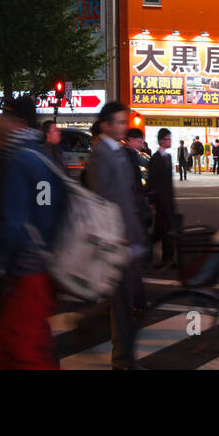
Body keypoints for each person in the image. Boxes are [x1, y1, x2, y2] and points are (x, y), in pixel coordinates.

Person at [0, 97, 69, 369]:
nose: (0, 127)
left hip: (27, 269)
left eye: (4, 121)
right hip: (43, 262)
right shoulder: (42, 156)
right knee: (12, 346)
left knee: (25, 350)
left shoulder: (20, 160)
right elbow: (45, 206)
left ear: (17, 123)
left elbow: (15, 222)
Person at [84, 101, 147, 369]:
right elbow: (103, 199)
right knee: (121, 302)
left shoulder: (118, 152)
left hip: (128, 235)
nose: (124, 127)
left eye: (125, 122)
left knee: (122, 297)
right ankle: (122, 359)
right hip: (116, 239)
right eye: (119, 122)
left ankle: (89, 325)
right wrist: (115, 233)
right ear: (106, 125)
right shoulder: (101, 155)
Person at [146, 127, 178, 269]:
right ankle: (149, 253)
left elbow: (168, 182)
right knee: (163, 231)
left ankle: (167, 258)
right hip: (160, 201)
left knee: (166, 231)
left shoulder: (168, 157)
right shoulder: (155, 159)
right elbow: (152, 181)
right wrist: (152, 201)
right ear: (161, 141)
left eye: (170, 138)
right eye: (167, 138)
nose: (170, 141)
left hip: (168, 201)